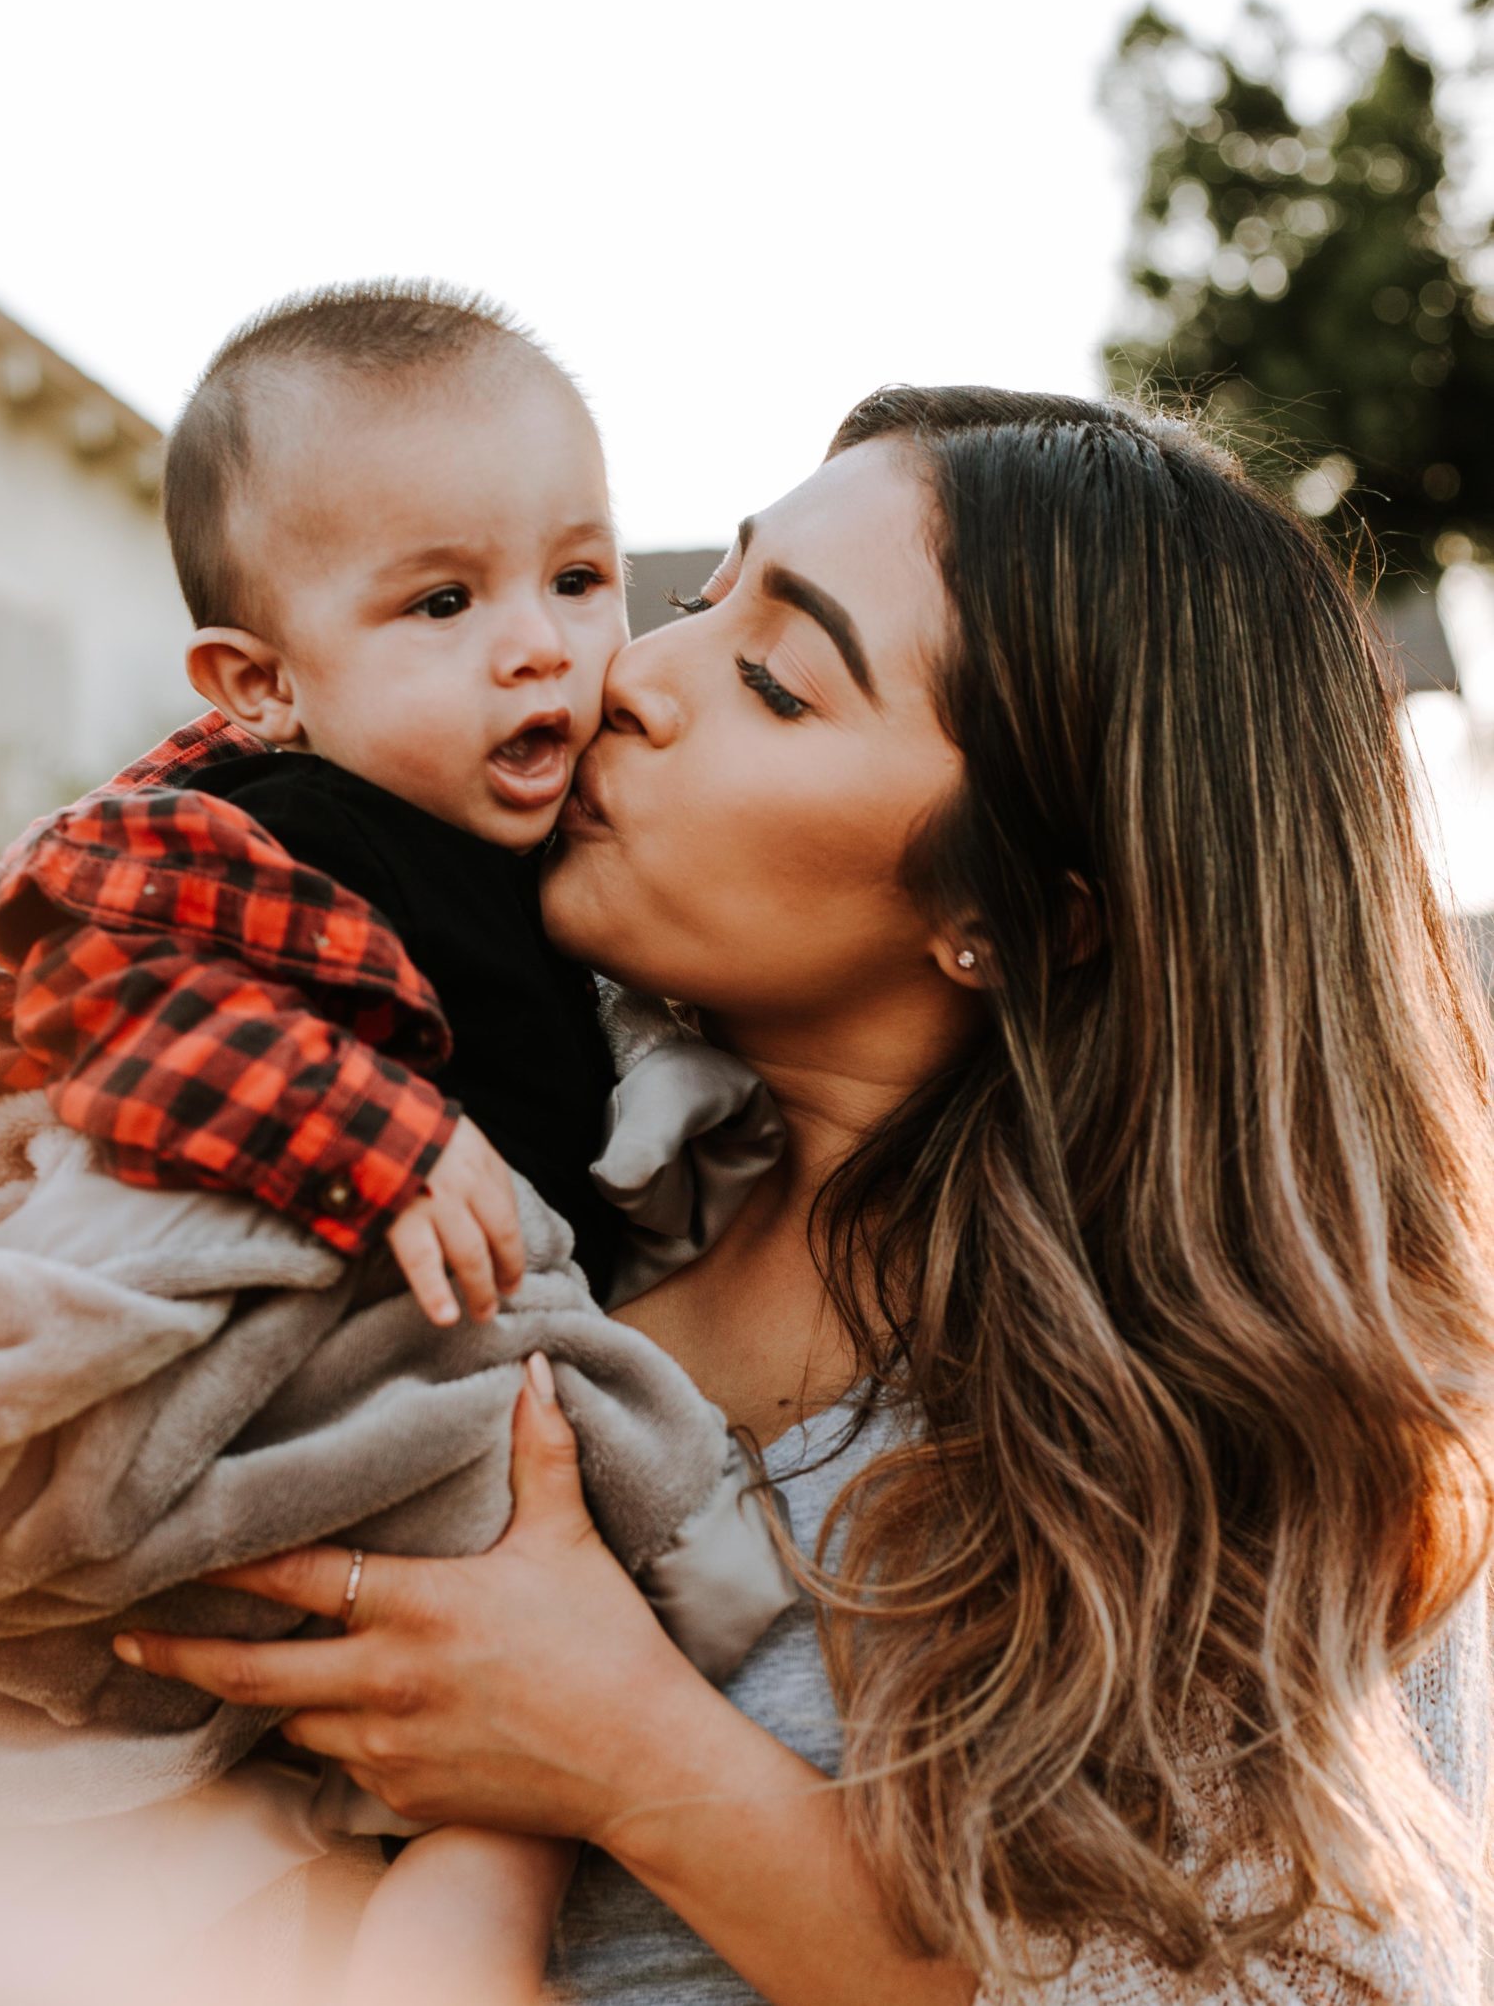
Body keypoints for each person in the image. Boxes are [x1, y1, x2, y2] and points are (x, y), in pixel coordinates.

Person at [118, 387, 1494, 2003]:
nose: (626, 677)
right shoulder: (449, 1163)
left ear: (1022, 915)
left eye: (774, 680)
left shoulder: (1243, 1429)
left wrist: (629, 1752)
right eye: (698, 602)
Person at [0, 282, 794, 2006]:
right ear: (259, 685)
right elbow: (96, 980)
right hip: (284, 1335)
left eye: (577, 574)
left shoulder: (547, 861)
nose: (543, 643)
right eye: (440, 600)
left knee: (472, 1775)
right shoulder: (269, 829)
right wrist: (373, 1140)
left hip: (444, 1404)